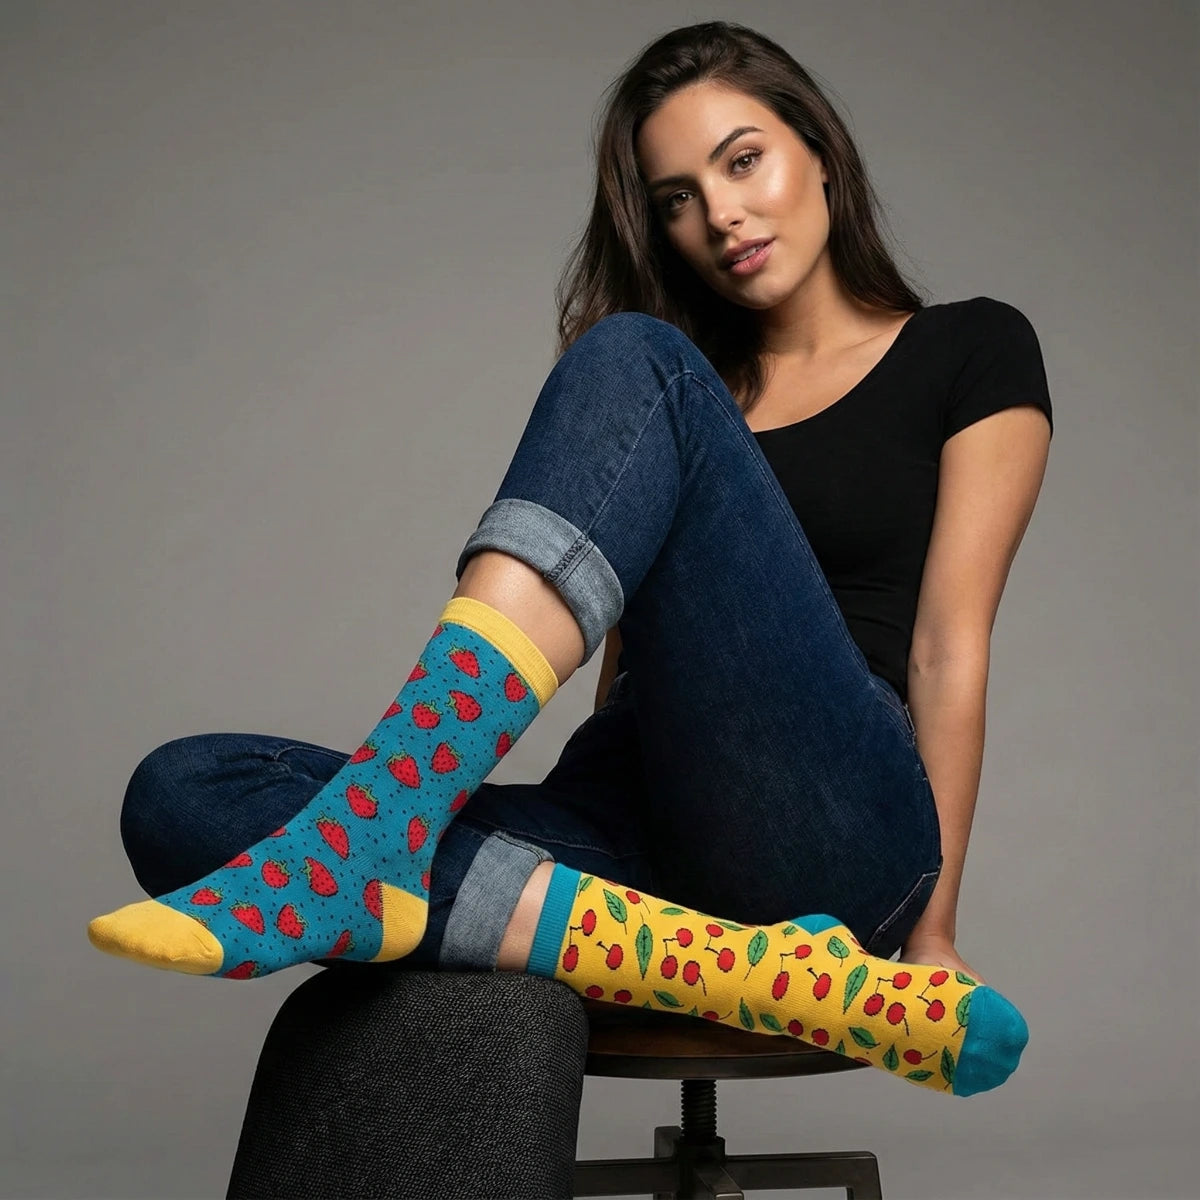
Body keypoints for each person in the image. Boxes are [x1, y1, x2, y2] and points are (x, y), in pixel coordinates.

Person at [88, 20, 1052, 1098]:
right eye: (677, 198)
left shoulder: (964, 350)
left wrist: (932, 936)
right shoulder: (682, 395)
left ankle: (386, 830)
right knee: (179, 794)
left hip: (829, 822)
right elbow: (624, 660)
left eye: (743, 161)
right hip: (639, 846)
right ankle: (730, 969)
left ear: (818, 149)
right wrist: (566, 815)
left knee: (636, 351)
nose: (720, 215)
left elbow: (946, 649)